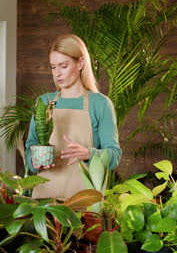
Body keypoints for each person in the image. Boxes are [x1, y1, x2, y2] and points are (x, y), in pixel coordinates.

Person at [25, 34, 122, 199]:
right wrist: (34, 161)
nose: (57, 73)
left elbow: (114, 155)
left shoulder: (100, 104)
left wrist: (89, 154)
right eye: (53, 67)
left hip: (84, 201)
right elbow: (30, 147)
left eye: (63, 66)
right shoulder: (44, 102)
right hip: (44, 200)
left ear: (80, 63)